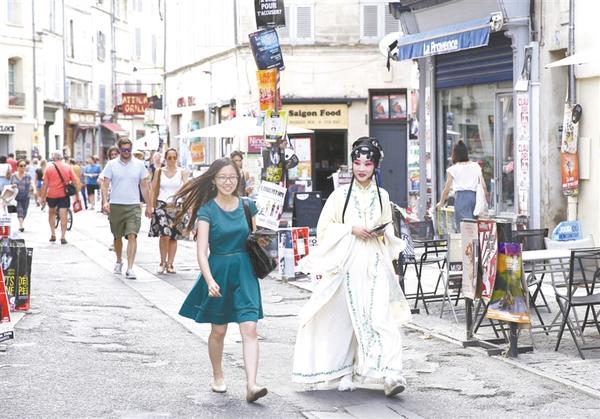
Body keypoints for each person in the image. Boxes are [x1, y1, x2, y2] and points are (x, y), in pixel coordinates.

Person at [291, 137, 410, 397]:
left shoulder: (383, 196)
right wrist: (351, 229)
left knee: (381, 317)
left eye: (368, 163)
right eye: (357, 163)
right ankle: (345, 370)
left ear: (375, 166)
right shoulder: (339, 196)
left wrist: (381, 233)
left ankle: (391, 373)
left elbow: (388, 229)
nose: (362, 168)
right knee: (344, 319)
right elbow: (324, 229)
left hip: (375, 262)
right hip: (347, 264)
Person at [174, 157, 267, 403]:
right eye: (223, 177)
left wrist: (267, 242)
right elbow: (201, 251)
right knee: (218, 330)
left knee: (250, 327)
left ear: (239, 179)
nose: (228, 182)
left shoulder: (248, 206)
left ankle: (252, 385)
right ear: (214, 180)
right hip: (218, 272)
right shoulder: (207, 210)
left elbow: (256, 240)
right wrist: (209, 280)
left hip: (245, 272)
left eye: (232, 177)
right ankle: (217, 375)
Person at [100, 138, 152, 280]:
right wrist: (105, 202)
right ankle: (119, 260)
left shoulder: (139, 164)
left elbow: (144, 186)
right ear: (119, 150)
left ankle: (130, 268)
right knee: (117, 237)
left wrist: (149, 205)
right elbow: (105, 184)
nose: (126, 152)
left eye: (128, 149)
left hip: (133, 205)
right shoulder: (111, 164)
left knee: (132, 234)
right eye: (123, 150)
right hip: (116, 204)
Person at [149, 148, 188, 274]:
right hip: (161, 205)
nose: (172, 160)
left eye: (174, 157)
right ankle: (162, 262)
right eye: (169, 157)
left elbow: (187, 188)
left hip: (176, 206)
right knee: (164, 234)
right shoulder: (159, 171)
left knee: (173, 236)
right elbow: (153, 189)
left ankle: (170, 263)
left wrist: (186, 204)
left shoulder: (182, 172)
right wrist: (150, 206)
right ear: (165, 158)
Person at [436, 140, 488, 232]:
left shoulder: (453, 169)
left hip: (461, 199)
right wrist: (485, 199)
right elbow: (483, 185)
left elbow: (446, 189)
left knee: (464, 229)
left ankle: (467, 242)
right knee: (475, 227)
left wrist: (441, 203)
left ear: (455, 154)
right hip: (475, 198)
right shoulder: (475, 166)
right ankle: (474, 241)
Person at [38, 150, 81, 244]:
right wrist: (77, 196)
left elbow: (45, 184)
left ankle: (53, 234)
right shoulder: (68, 167)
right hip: (64, 195)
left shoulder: (49, 168)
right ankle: (63, 237)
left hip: (52, 195)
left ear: (53, 158)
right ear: (62, 158)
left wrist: (42, 197)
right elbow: (74, 181)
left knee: (51, 213)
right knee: (63, 215)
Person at [11, 160, 36, 232]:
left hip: (26, 196)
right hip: (17, 196)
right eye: (21, 166)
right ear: (17, 167)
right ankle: (21, 225)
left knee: (25, 211)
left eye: (24, 166)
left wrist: (34, 189)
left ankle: (21, 222)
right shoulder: (13, 176)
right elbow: (11, 185)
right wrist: (13, 185)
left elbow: (32, 182)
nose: (23, 167)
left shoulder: (27, 176)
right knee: (19, 210)